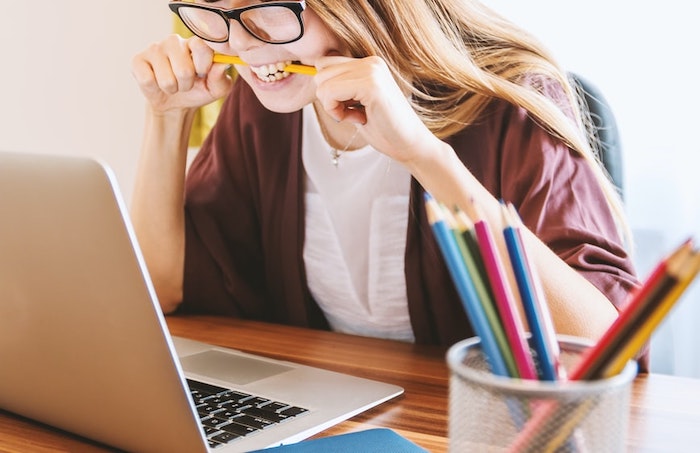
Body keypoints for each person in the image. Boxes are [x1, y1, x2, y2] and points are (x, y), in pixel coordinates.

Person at [131, 1, 645, 368]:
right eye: (211, 13)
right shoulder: (265, 105)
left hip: (472, 425)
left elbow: (606, 347)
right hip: (331, 412)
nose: (241, 47)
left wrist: (423, 156)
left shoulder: (510, 102)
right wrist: (166, 118)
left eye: (268, 8)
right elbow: (162, 289)